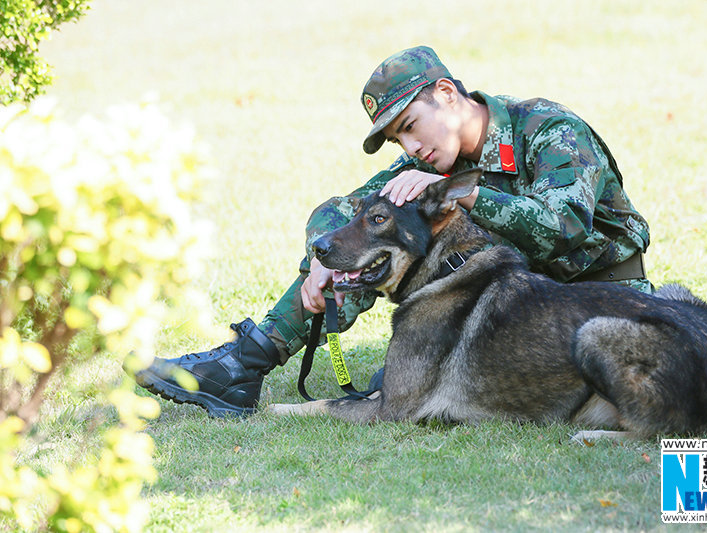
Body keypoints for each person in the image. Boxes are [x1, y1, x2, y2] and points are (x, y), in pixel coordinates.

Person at [131, 46, 653, 417]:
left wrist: (467, 192)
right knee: (373, 248)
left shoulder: (549, 130)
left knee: (401, 390)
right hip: (506, 309)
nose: (409, 147)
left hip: (598, 300)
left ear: (446, 94)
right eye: (396, 139)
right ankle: (245, 363)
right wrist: (321, 259)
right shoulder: (429, 162)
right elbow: (344, 211)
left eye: (409, 125)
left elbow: (562, 228)